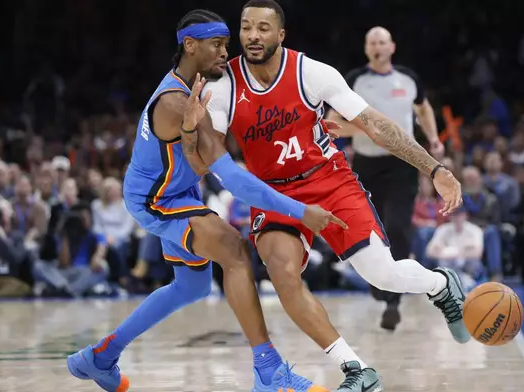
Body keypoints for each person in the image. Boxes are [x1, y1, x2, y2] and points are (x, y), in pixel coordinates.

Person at [194, 1, 469, 391]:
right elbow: (209, 156)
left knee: (383, 275)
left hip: (329, 181)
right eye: (245, 27)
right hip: (273, 193)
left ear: (280, 35)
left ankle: (440, 285)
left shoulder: (312, 73)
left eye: (262, 28)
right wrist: (193, 130)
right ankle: (357, 369)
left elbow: (376, 125)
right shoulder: (224, 84)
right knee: (281, 272)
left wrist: (435, 170)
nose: (253, 36)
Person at [66, 9, 340, 392]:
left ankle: (100, 357)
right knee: (235, 251)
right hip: (156, 198)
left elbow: (201, 157)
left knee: (191, 288)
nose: (225, 53)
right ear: (189, 46)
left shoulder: (199, 89)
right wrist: (300, 211)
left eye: (227, 44)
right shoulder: (176, 102)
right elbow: (231, 181)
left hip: (178, 190)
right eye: (217, 45)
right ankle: (269, 373)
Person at [326, 26, 444, 331]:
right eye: (372, 43)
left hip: (403, 162)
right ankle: (378, 279)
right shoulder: (354, 80)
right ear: (367, 49)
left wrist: (433, 138)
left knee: (397, 225)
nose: (378, 47)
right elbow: (332, 122)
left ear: (392, 46)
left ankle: (393, 300)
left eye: (382, 42)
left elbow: (424, 107)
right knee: (369, 228)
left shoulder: (407, 78)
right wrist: (368, 129)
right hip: (366, 163)